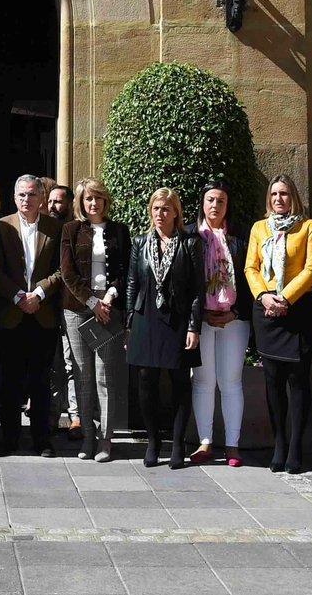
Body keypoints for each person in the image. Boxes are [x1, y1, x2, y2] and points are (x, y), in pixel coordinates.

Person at [245, 174, 312, 473]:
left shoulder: (308, 227)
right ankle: (279, 443)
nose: (279, 199)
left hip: (297, 309)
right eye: (275, 194)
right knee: (272, 380)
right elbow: (251, 266)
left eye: (285, 194)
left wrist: (285, 297)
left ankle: (296, 446)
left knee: (298, 381)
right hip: (265, 311)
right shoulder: (259, 228)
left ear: (294, 197)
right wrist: (264, 296)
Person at [125, 188, 202, 469]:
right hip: (147, 317)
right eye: (156, 208)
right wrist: (130, 324)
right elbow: (132, 283)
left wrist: (194, 327)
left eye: (166, 209)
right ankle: (153, 441)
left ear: (176, 212)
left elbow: (197, 289)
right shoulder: (140, 242)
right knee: (146, 378)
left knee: (181, 379)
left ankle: (178, 443)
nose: (160, 214)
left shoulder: (190, 243)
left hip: (179, 319)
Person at [0, 174, 64, 457]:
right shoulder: (0, 227)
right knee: (9, 380)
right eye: (21, 194)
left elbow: (62, 270)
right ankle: (9, 438)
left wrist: (40, 294)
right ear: (14, 197)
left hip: (42, 313)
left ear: (41, 198)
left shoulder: (56, 228)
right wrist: (18, 296)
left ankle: (41, 439)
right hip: (12, 312)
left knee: (41, 380)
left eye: (32, 194)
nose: (26, 199)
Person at [60, 178, 128, 463]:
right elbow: (67, 273)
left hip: (108, 309)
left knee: (104, 376)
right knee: (82, 375)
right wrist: (91, 301)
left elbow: (126, 270)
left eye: (98, 198)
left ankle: (105, 439)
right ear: (80, 202)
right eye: (88, 198)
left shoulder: (119, 231)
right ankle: (87, 436)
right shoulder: (71, 230)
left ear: (105, 201)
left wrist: (108, 299)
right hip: (77, 309)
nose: (93, 203)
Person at [188, 180, 252, 467]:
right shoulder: (189, 235)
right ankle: (205, 442)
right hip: (200, 318)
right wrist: (197, 314)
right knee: (202, 381)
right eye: (211, 199)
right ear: (202, 202)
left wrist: (236, 312)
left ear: (228, 206)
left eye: (221, 201)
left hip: (233, 319)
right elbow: (182, 279)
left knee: (231, 382)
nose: (215, 205)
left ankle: (233, 445)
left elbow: (251, 278)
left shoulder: (240, 237)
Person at [44, 182, 81, 440]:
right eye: (51, 201)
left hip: (71, 304)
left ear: (69, 204)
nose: (54, 206)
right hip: (46, 305)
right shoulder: (43, 229)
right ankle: (52, 415)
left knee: (73, 362)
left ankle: (76, 417)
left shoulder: (78, 230)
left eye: (59, 202)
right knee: (52, 362)